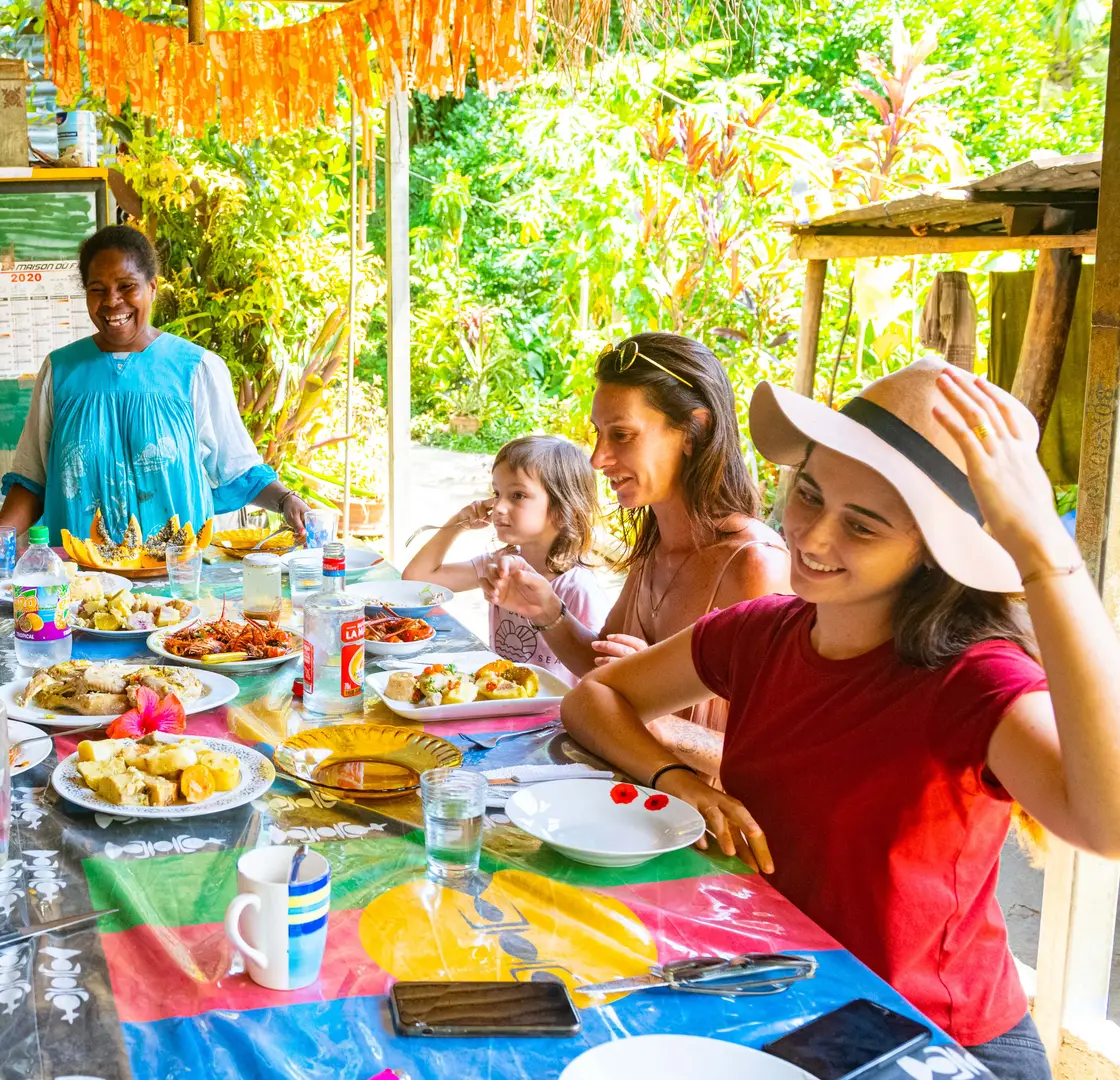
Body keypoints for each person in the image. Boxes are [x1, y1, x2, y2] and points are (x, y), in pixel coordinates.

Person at [562, 362, 1120, 1079]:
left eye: (861, 525)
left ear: (930, 551)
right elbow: (593, 699)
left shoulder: (975, 682)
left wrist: (1045, 558)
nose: (814, 538)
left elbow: (1104, 823)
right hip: (782, 987)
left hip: (926, 1037)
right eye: (810, 495)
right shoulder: (763, 631)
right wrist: (680, 780)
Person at [482, 333, 787, 771]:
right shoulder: (657, 542)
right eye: (598, 434)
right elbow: (599, 666)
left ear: (694, 430)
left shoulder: (755, 564)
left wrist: (653, 715)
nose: (597, 458)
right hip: (632, 803)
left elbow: (783, 759)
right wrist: (547, 610)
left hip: (704, 829)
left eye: (622, 435)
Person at [0, 224, 310, 551]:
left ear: (152, 287)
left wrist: (287, 500)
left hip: (175, 585)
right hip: (80, 583)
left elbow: (238, 469)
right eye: (97, 289)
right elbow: (33, 477)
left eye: (127, 287)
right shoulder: (61, 371)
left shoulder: (196, 370)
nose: (111, 302)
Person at [403, 434, 611, 683]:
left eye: (518, 495)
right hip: (503, 700)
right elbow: (417, 579)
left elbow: (599, 669)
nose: (499, 507)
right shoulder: (499, 564)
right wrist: (458, 522)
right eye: (497, 493)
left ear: (563, 509)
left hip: (555, 718)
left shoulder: (578, 588)